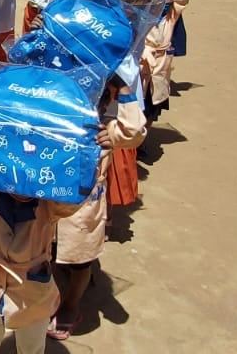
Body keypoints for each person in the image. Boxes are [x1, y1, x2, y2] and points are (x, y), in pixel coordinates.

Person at [50, 75, 147, 340]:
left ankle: (70, 305)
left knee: (81, 260)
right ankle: (53, 290)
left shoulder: (106, 130)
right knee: (49, 252)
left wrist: (124, 88)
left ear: (106, 99)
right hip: (49, 204)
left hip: (84, 210)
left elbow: (135, 131)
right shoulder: (54, 121)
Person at [0, 186, 81, 354]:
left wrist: (92, 166)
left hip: (31, 295)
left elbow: (77, 193)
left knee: (31, 344)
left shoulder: (50, 205)